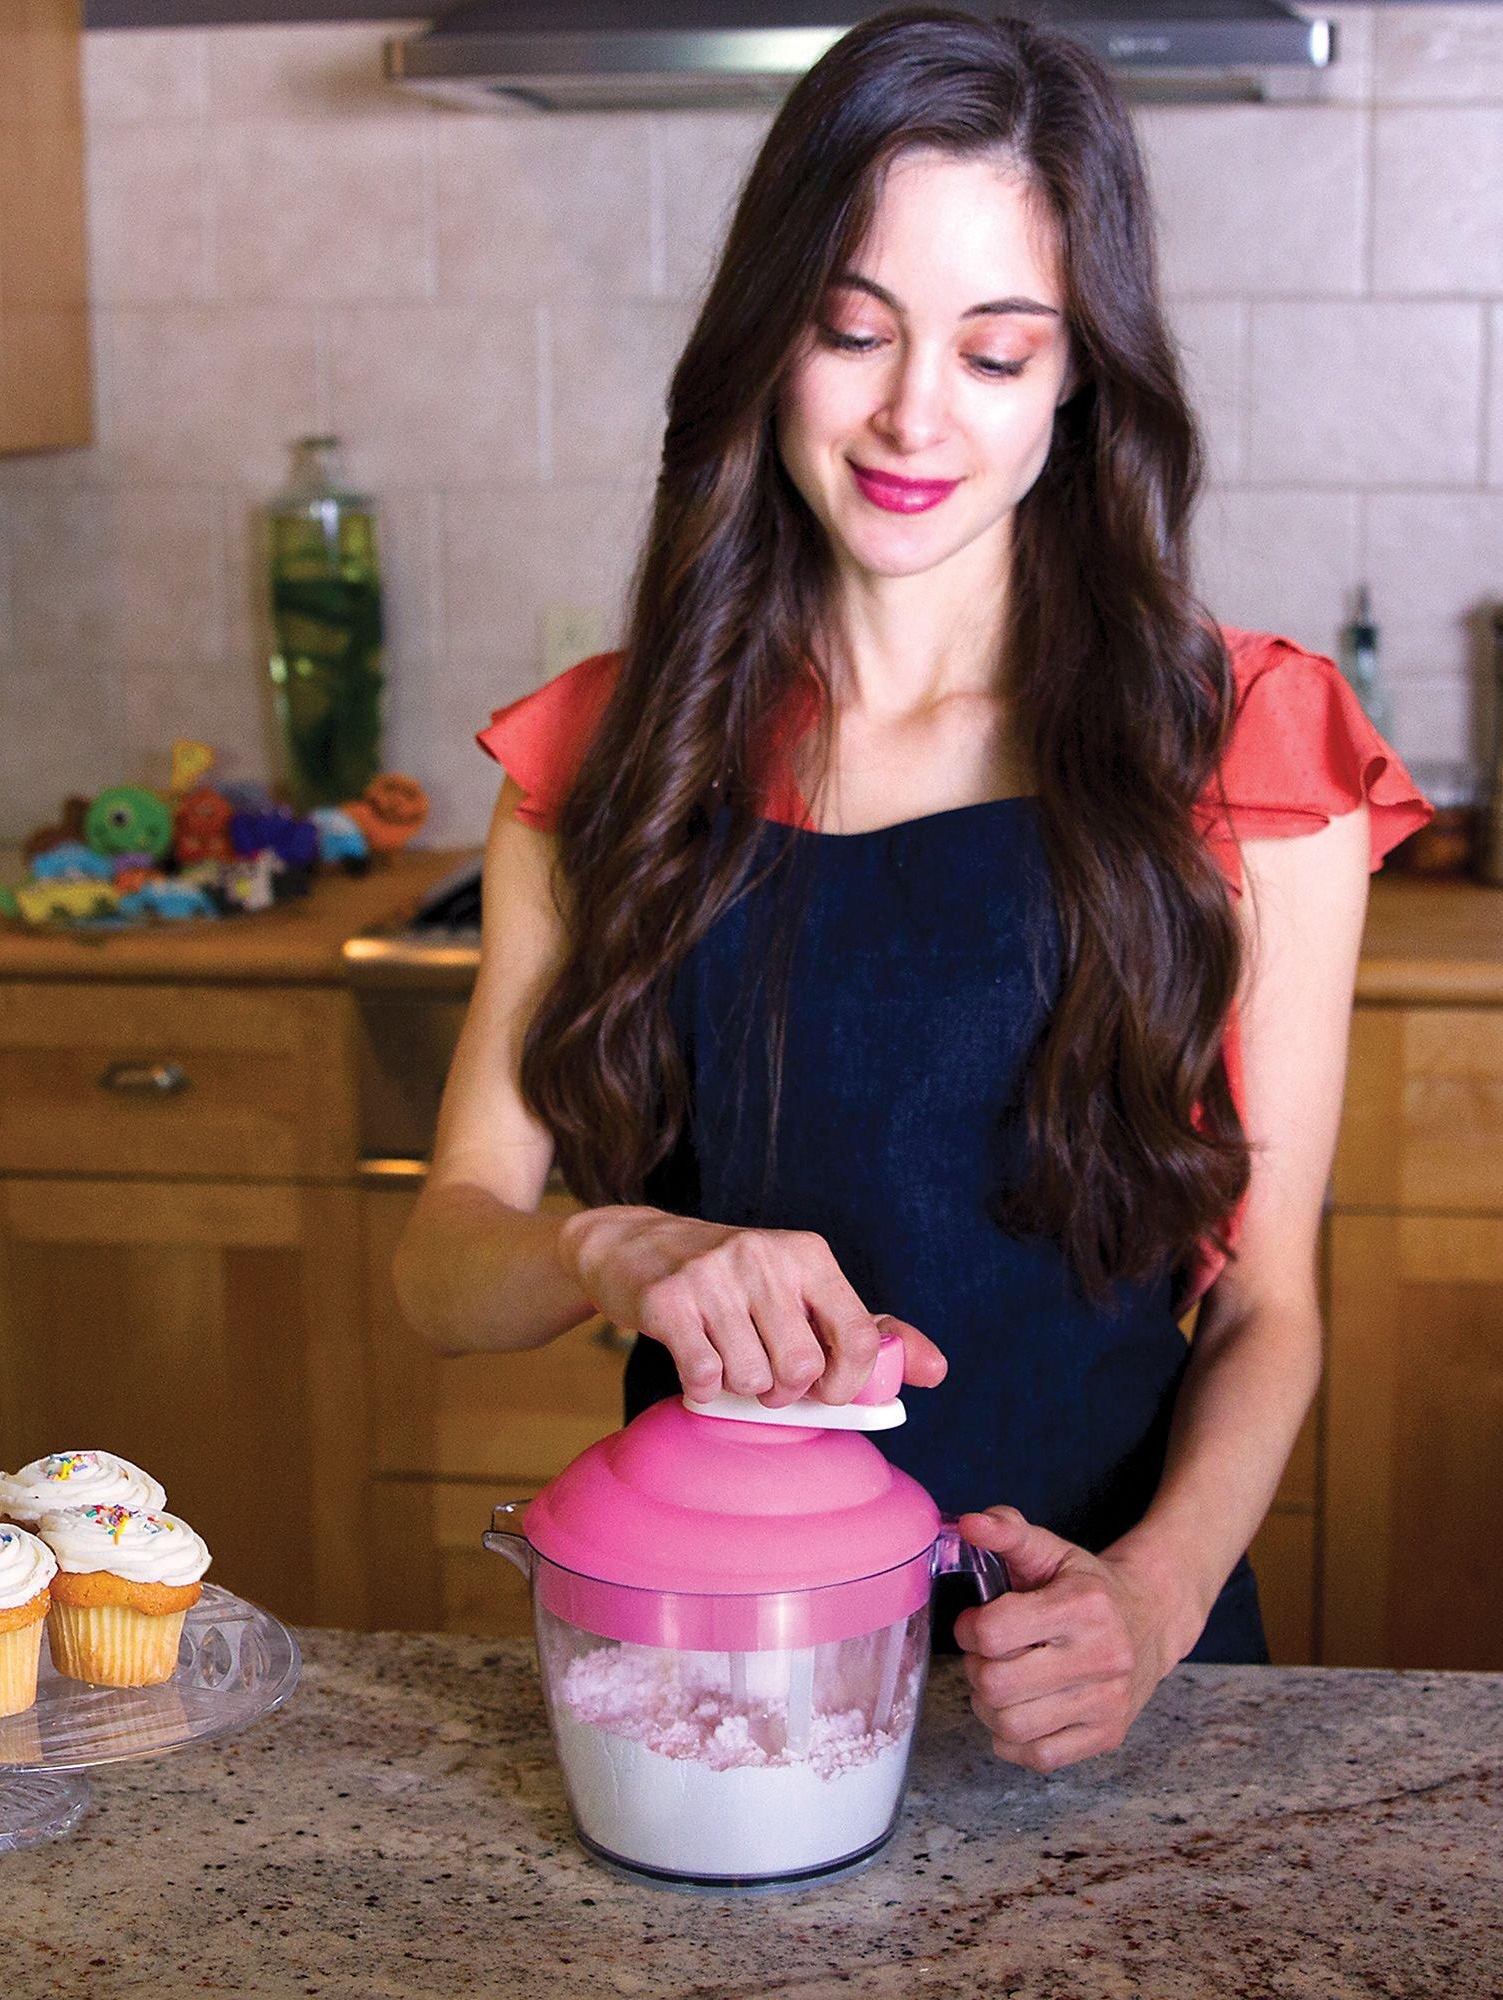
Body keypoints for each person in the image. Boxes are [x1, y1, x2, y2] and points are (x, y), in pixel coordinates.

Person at [391, 5, 1432, 1775]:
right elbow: (441, 1263)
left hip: (1103, 1678)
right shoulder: (600, 756)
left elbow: (1269, 1304)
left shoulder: (1243, 743)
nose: (910, 416)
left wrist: (1154, 1601)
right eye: (850, 330)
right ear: (767, 338)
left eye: (998, 352)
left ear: (1082, 373)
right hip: (717, 1677)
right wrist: (607, 1246)